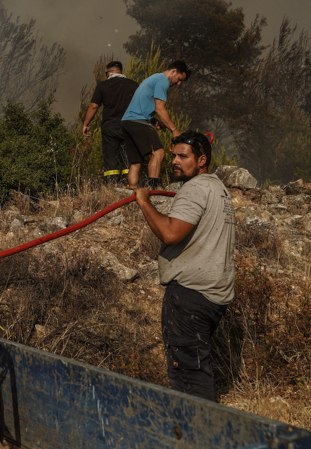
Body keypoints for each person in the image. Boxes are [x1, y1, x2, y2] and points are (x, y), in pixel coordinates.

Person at [132, 131, 235, 401]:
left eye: (183, 156)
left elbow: (171, 233)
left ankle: (199, 436)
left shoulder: (196, 188)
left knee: (189, 378)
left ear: (202, 160)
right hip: (213, 297)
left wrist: (144, 202)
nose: (175, 161)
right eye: (174, 155)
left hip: (190, 296)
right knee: (196, 366)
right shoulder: (219, 189)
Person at [120, 60, 189, 189]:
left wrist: (156, 122)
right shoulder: (162, 81)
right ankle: (152, 190)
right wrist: (174, 130)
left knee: (136, 161)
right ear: (173, 71)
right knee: (158, 152)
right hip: (138, 122)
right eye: (179, 79)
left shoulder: (154, 78)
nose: (178, 83)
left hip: (127, 122)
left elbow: (142, 105)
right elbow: (160, 109)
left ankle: (132, 190)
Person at [82, 60, 139, 185]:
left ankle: (112, 186)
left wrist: (86, 124)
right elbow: (143, 106)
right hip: (129, 127)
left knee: (110, 158)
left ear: (111, 72)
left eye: (106, 73)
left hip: (110, 127)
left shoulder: (103, 85)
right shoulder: (134, 85)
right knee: (128, 159)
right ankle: (128, 185)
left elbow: (93, 106)